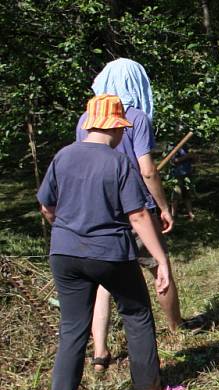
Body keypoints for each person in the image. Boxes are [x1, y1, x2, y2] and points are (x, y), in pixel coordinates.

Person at [37, 95, 185, 390]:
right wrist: (160, 259)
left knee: (73, 328)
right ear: (116, 127)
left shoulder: (63, 156)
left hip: (64, 254)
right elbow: (136, 214)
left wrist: (68, 227)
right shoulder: (118, 163)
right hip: (109, 255)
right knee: (136, 313)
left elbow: (46, 207)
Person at [76, 58, 184, 372]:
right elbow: (147, 170)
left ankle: (99, 350)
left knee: (104, 280)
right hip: (135, 206)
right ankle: (177, 327)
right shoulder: (135, 117)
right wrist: (163, 207)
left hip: (98, 208)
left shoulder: (86, 118)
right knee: (159, 268)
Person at [170, 143, 196, 220]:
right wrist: (186, 156)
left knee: (187, 193)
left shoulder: (186, 146)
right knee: (176, 193)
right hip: (177, 174)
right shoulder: (173, 146)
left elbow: (192, 160)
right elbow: (173, 160)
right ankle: (173, 214)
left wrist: (193, 157)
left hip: (187, 173)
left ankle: (190, 213)